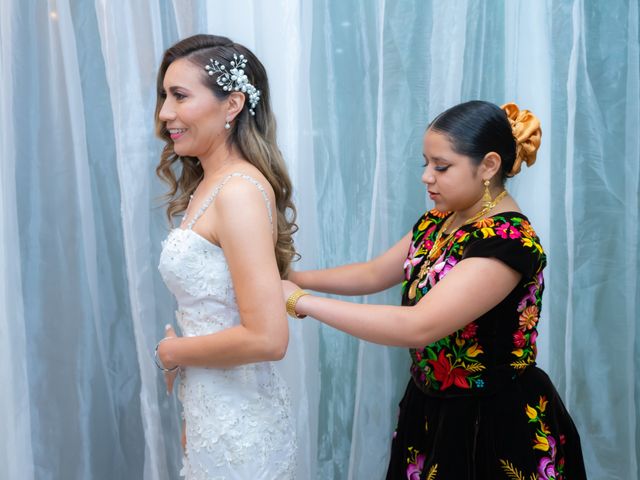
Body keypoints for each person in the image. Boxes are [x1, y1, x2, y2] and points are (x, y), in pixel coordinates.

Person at [284, 101, 587, 479]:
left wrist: (301, 302)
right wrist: (296, 278)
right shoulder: (440, 220)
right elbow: (374, 273)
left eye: (441, 167)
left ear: (489, 166)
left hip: (490, 420)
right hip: (430, 407)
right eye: (425, 164)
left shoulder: (507, 243)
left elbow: (419, 325)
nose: (427, 177)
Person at [154, 34, 297, 479]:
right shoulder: (211, 185)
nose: (164, 114)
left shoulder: (236, 191)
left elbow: (267, 338)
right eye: (164, 96)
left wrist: (172, 350)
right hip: (213, 413)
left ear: (232, 105)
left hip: (241, 429)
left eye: (179, 95)